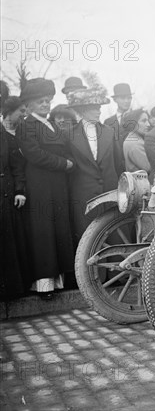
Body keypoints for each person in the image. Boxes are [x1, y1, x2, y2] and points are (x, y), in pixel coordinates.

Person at [16, 78, 75, 299]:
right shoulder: (26, 124)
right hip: (39, 183)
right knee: (43, 232)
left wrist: (70, 161)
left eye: (47, 100)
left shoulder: (51, 124)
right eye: (39, 100)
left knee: (59, 228)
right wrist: (63, 164)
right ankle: (44, 286)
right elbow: (34, 154)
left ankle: (58, 281)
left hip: (58, 184)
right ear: (29, 104)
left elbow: (66, 149)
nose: (45, 104)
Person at [67, 84, 121, 245]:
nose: (99, 111)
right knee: (88, 241)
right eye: (94, 107)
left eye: (99, 107)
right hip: (84, 196)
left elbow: (119, 164)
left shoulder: (109, 132)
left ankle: (115, 270)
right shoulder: (68, 134)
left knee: (114, 237)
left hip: (110, 193)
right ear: (82, 110)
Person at [0, 94, 30, 300]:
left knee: (11, 239)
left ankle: (13, 289)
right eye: (21, 111)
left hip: (9, 193)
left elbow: (18, 167)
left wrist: (20, 190)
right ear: (10, 112)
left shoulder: (16, 135)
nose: (24, 115)